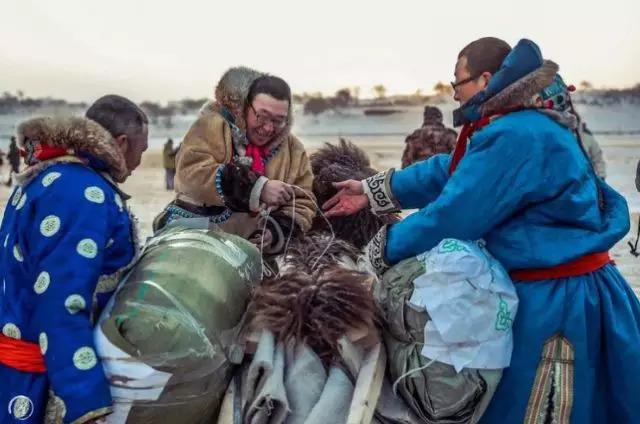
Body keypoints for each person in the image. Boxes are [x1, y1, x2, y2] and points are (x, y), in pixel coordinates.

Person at [324, 38, 640, 423]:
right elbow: (454, 170)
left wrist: (381, 249)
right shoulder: (515, 124)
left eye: (458, 81)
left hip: (558, 301)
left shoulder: (517, 134)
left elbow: (454, 215)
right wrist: (375, 191)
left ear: (486, 79)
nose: (454, 92)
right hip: (563, 287)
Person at [0, 95, 148, 423]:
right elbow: (60, 300)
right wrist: (85, 400)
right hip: (41, 381)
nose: (140, 160)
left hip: (19, 370)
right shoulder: (82, 193)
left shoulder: (50, 177)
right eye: (142, 148)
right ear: (122, 143)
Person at [155, 67, 315, 252]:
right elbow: (192, 174)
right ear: (245, 107)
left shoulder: (293, 150)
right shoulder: (211, 126)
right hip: (195, 242)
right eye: (262, 116)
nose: (269, 128)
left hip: (253, 256)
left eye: (279, 120)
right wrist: (257, 188)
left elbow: (304, 201)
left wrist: (274, 231)